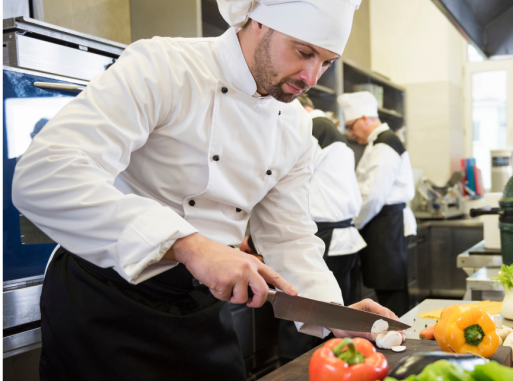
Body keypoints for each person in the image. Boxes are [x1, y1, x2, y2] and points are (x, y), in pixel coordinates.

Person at [12, 1, 403, 379]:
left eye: (326, 62)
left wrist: (332, 313)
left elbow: (289, 236)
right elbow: (45, 174)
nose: (311, 77)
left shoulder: (296, 127)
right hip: (104, 298)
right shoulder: (164, 67)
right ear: (259, 22)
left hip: (200, 304)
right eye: (303, 52)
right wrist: (190, 245)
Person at [242, 94, 367, 364]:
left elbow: (277, 191)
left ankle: (294, 365)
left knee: (297, 309)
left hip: (321, 233)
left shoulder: (311, 125)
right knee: (321, 311)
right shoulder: (331, 132)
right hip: (342, 236)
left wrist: (250, 242)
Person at [338, 91, 417, 317]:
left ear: (365, 118)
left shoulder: (385, 145)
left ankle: (400, 342)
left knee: (390, 290)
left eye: (351, 126)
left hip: (385, 223)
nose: (351, 133)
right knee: (388, 287)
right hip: (383, 223)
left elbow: (373, 196)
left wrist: (353, 223)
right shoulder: (378, 143)